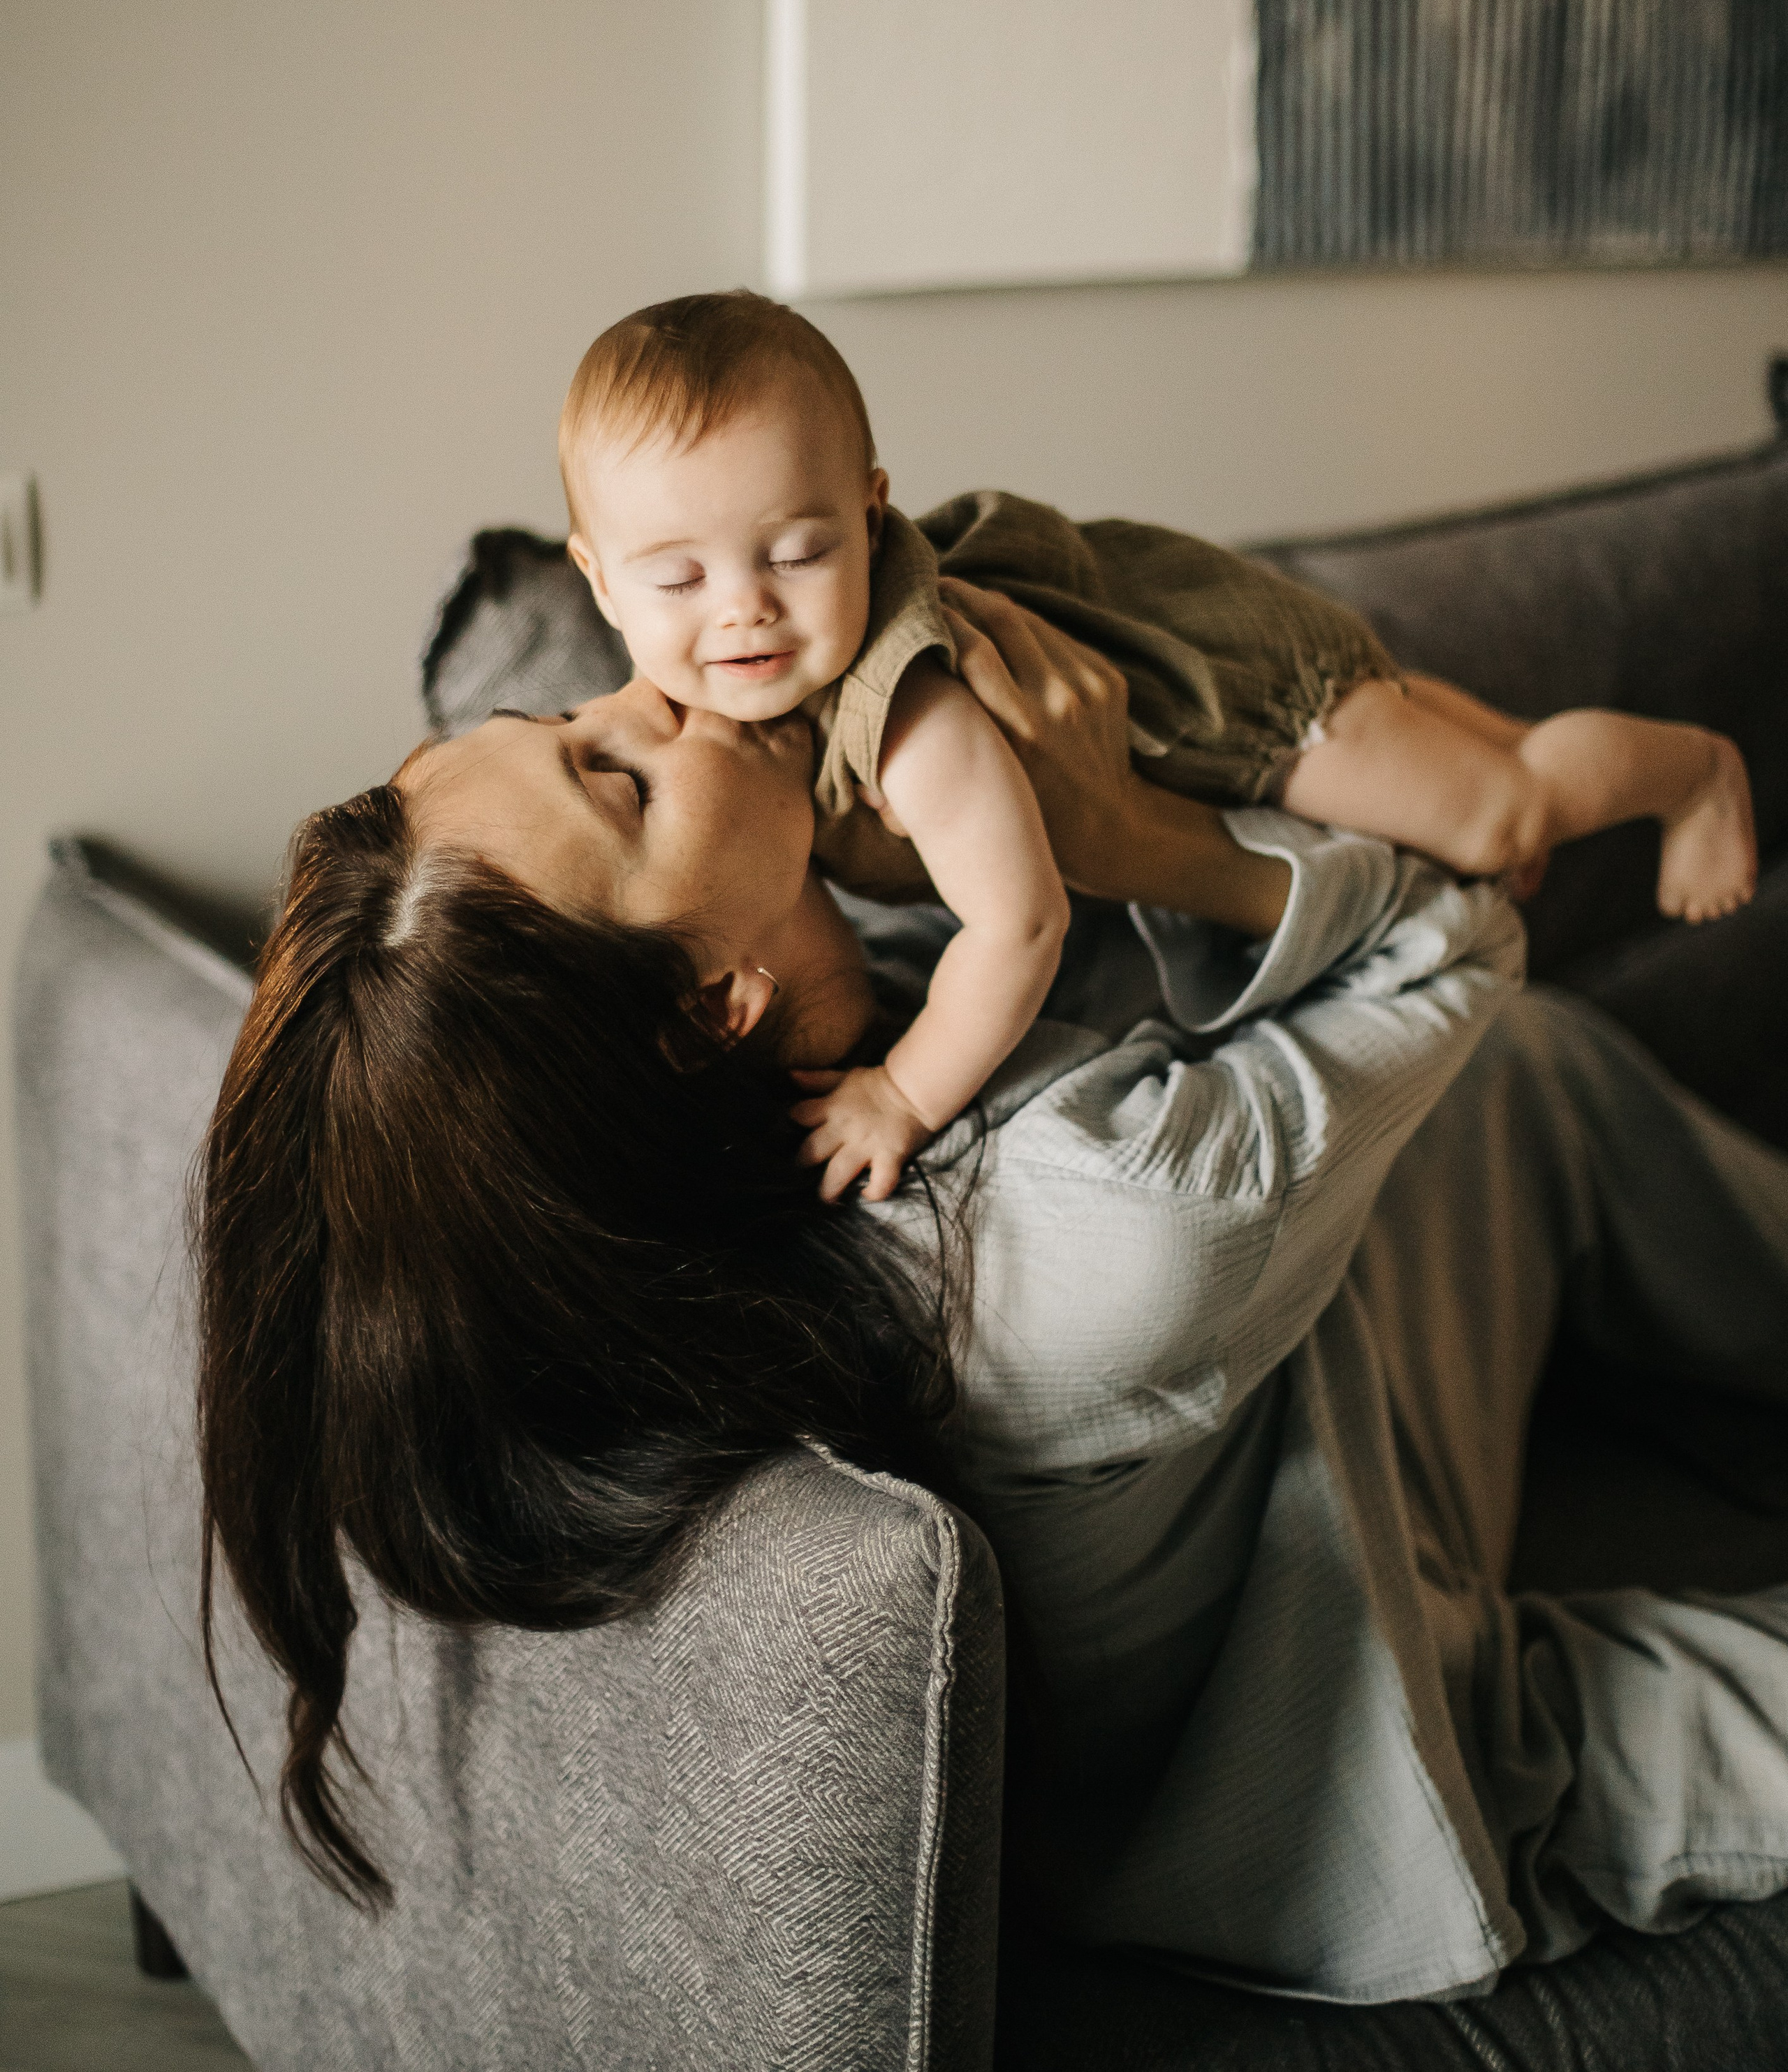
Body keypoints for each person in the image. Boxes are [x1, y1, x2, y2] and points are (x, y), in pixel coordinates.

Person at [196, 592, 1788, 2003]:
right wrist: (1135, 834)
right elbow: (1462, 929)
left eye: (566, 712)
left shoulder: (788, 1051)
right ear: (710, 1007)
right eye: (619, 776)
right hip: (1374, 1744)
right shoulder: (1087, 1248)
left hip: (1327, 1396)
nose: (646, 689)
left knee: (1531, 1081)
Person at [557, 291, 1758, 1203]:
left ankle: (1693, 773)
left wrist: (903, 1094)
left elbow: (1021, 925)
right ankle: (1469, 754)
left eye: (798, 551)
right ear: (601, 580)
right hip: (1205, 637)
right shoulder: (686, 700)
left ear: (871, 512)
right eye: (679, 577)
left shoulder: (910, 713)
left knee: (1502, 818)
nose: (744, 608)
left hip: (1241, 708)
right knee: (1446, 753)